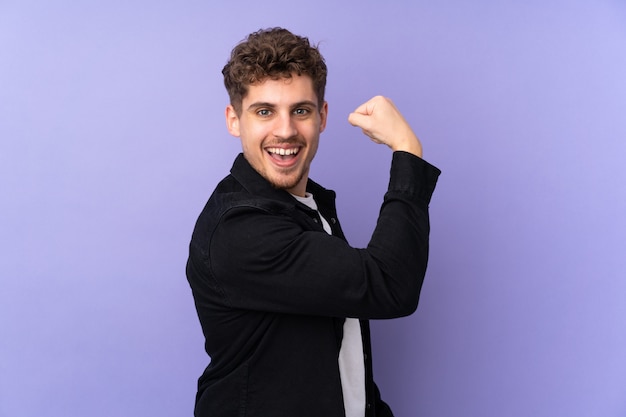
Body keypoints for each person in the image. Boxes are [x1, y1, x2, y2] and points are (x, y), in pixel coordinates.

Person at [186, 27, 441, 417]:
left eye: (300, 110)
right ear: (234, 120)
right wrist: (408, 151)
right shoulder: (240, 229)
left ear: (322, 117)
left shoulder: (308, 205)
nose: (285, 130)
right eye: (264, 111)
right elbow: (390, 284)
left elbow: (338, 350)